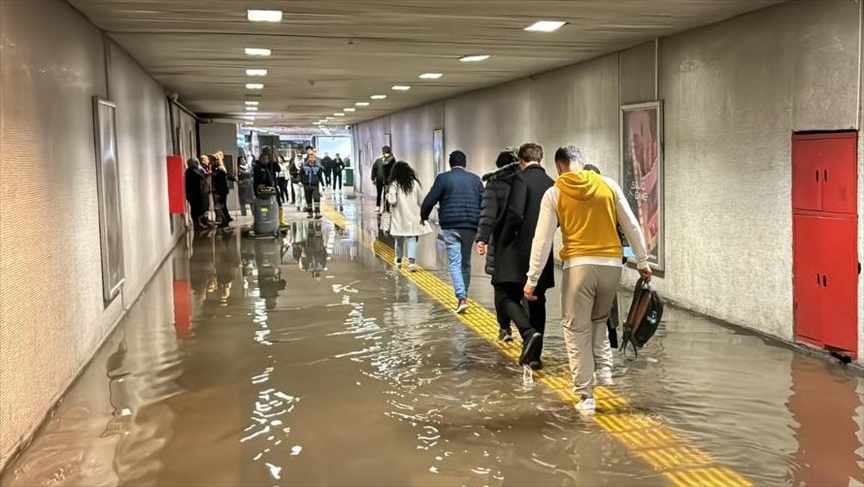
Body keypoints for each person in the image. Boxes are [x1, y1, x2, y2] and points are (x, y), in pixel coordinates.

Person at [524, 145, 652, 414]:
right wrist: (642, 261)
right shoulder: (608, 185)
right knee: (599, 319)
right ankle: (604, 370)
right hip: (611, 266)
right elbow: (631, 224)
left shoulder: (555, 192)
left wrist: (532, 278)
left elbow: (542, 239)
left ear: (559, 167)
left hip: (579, 267)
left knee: (574, 328)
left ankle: (586, 396)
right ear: (581, 162)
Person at [420, 150, 484, 314]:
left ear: (450, 163)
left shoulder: (443, 178)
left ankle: (461, 298)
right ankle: (465, 295)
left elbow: (430, 199)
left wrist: (423, 216)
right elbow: (484, 203)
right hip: (470, 225)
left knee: (455, 262)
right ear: (465, 163)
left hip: (450, 225)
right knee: (466, 262)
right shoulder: (475, 180)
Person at [476, 149, 520, 342]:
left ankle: (504, 329)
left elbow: (488, 214)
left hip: (500, 243)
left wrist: (482, 239)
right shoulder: (524, 182)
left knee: (501, 286)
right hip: (523, 242)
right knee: (523, 286)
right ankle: (527, 327)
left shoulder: (493, 185)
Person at [386, 161, 431, 272]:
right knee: (411, 239)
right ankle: (411, 262)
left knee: (399, 239)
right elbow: (421, 200)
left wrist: (387, 195)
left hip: (399, 217)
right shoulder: (415, 183)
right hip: (413, 216)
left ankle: (399, 260)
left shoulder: (394, 184)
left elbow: (393, 200)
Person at [185, 157, 213, 229]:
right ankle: (197, 223)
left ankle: (202, 221)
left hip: (198, 193)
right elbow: (200, 177)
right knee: (195, 209)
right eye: (196, 163)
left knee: (201, 208)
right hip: (194, 194)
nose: (198, 164)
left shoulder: (196, 170)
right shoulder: (191, 171)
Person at [211, 153, 234, 228]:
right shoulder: (222, 168)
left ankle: (225, 221)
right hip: (223, 190)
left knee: (221, 206)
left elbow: (218, 182)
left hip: (220, 190)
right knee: (223, 205)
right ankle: (227, 218)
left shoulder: (218, 169)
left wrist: (216, 191)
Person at [301, 151, 325, 219]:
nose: (312, 159)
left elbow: (320, 177)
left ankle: (317, 213)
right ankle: (310, 213)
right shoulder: (304, 167)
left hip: (315, 186)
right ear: (308, 158)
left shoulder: (317, 167)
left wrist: (323, 185)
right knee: (308, 200)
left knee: (316, 198)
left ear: (315, 159)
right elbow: (300, 175)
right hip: (306, 186)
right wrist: (300, 181)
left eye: (313, 157)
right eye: (310, 157)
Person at [372, 146, 396, 212]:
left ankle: (386, 208)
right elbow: (374, 168)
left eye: (386, 153)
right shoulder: (378, 160)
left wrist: (382, 160)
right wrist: (373, 178)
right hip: (379, 179)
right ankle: (378, 206)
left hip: (387, 179)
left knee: (386, 194)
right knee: (379, 193)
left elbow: (387, 166)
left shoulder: (392, 159)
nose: (385, 155)